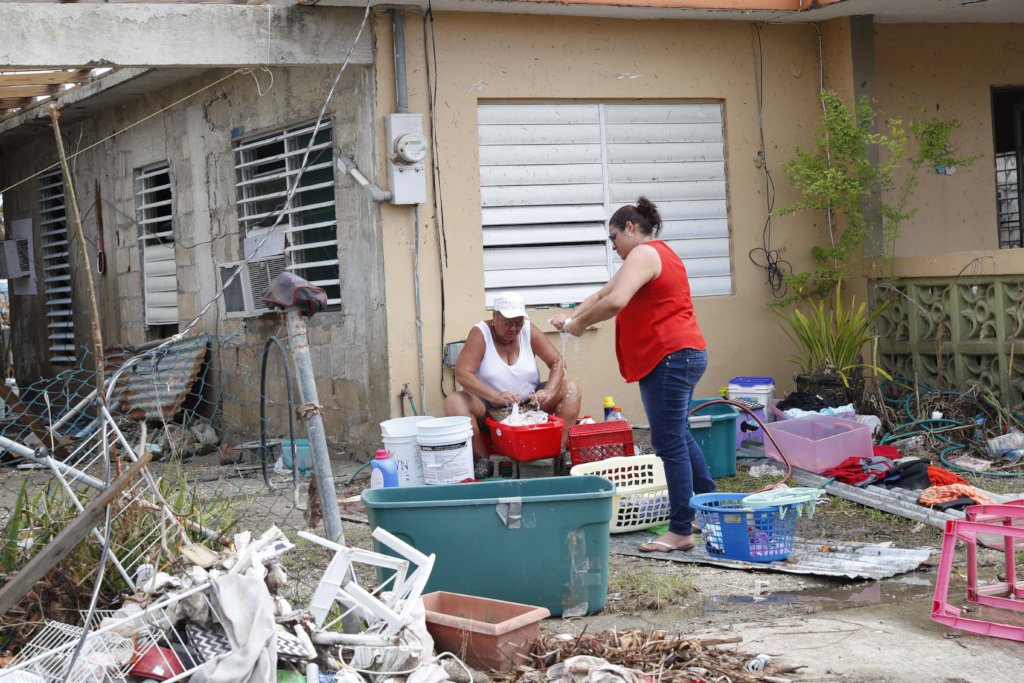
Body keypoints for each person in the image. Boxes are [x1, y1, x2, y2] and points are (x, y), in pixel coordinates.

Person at [551, 197, 713, 553]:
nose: (614, 248)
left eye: (614, 238)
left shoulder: (644, 253)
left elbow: (615, 301)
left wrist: (578, 325)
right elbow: (602, 293)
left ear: (630, 228)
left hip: (670, 357)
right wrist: (570, 319)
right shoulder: (656, 254)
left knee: (669, 442)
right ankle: (709, 507)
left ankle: (682, 529)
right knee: (678, 436)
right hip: (682, 354)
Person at [445, 292, 581, 468]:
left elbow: (557, 361)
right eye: (508, 323)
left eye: (518, 323)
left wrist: (548, 390)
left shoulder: (528, 330)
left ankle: (558, 454)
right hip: (488, 409)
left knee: (571, 388)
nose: (514, 328)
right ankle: (483, 462)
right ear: (495, 316)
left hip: (529, 404)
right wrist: (495, 395)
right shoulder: (481, 333)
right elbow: (463, 373)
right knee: (454, 401)